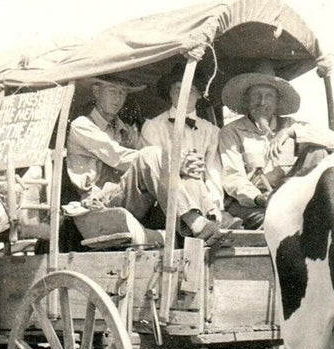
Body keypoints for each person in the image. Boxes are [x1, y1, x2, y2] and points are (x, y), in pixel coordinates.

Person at [65, 76, 238, 242]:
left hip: (130, 196)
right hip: (99, 201)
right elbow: (119, 157)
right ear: (96, 92)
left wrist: (183, 166)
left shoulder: (124, 129)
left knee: (186, 171)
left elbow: (148, 170)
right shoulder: (82, 125)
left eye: (123, 93)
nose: (118, 98)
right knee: (152, 154)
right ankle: (196, 223)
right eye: (112, 91)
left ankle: (212, 217)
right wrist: (176, 162)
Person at [217, 70, 334, 228]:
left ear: (277, 103)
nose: (262, 102)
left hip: (287, 199)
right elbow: (233, 177)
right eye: (256, 95)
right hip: (253, 203)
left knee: (317, 152)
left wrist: (289, 132)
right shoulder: (231, 131)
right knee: (274, 222)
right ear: (247, 100)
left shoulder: (289, 125)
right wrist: (260, 198)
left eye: (269, 96)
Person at [141, 72, 225, 226]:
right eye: (177, 90)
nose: (183, 95)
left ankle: (213, 219)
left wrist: (217, 204)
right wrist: (181, 168)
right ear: (170, 93)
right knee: (188, 180)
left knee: (196, 182)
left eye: (190, 90)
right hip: (164, 202)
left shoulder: (211, 131)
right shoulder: (153, 126)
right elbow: (151, 169)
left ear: (200, 94)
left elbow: (213, 172)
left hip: (203, 199)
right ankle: (202, 222)